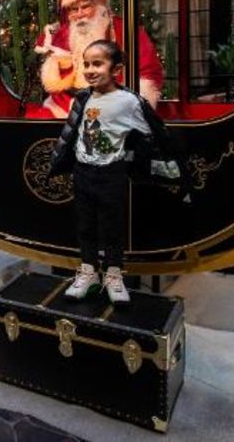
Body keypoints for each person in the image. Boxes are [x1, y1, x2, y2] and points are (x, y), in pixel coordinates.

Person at [49, 40, 152, 304]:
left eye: (98, 63)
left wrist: (134, 163)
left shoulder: (128, 101)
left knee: (112, 226)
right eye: (86, 64)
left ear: (116, 69)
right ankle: (88, 272)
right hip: (83, 172)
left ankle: (114, 275)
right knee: (85, 225)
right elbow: (73, 131)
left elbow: (145, 134)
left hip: (112, 173)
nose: (90, 70)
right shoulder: (82, 97)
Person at [32, 0, 164, 117]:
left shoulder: (126, 31)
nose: (79, 14)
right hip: (65, 106)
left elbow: (149, 73)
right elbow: (53, 77)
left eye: (86, 7)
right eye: (73, 9)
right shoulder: (63, 33)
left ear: (102, 7)